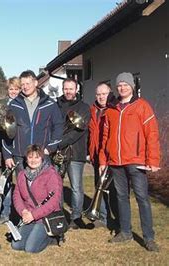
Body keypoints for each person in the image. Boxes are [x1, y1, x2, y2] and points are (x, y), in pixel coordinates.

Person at [99, 72, 161, 252]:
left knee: (142, 198)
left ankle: (149, 237)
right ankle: (125, 232)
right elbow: (105, 136)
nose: (122, 87)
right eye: (119, 85)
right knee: (121, 197)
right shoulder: (111, 109)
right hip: (116, 162)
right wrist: (104, 159)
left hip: (136, 160)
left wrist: (153, 159)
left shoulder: (142, 106)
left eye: (126, 84)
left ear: (132, 86)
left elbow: (152, 134)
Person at [2, 70, 63, 174]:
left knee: (42, 187)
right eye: (22, 84)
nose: (25, 87)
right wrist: (7, 155)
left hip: (42, 154)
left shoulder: (49, 104)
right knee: (22, 188)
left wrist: (50, 148)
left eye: (28, 83)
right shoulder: (14, 105)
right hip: (20, 155)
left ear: (35, 83)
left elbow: (58, 127)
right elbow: (6, 130)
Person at [11, 144, 63, 253]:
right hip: (28, 216)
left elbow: (54, 201)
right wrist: (23, 211)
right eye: (30, 157)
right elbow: (17, 196)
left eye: (37, 157)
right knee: (16, 245)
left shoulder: (51, 173)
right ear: (26, 158)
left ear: (42, 158)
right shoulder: (21, 175)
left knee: (31, 248)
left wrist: (34, 215)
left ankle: (52, 237)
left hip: (45, 218)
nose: (33, 160)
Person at [56, 78, 90, 229]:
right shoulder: (56, 105)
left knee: (76, 186)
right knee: (56, 184)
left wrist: (59, 142)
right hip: (57, 152)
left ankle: (76, 217)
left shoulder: (84, 107)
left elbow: (78, 132)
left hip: (76, 152)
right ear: (62, 89)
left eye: (71, 89)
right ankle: (58, 214)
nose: (68, 91)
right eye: (66, 89)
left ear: (76, 90)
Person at [88, 82, 116, 229]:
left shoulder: (114, 109)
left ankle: (117, 218)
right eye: (98, 94)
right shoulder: (92, 109)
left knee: (114, 189)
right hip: (97, 155)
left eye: (104, 94)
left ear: (109, 93)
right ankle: (103, 217)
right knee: (99, 187)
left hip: (111, 155)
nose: (101, 97)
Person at [0, 76, 22, 223]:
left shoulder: (22, 105)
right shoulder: (2, 106)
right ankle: (5, 212)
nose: (13, 91)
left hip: (19, 147)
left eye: (16, 89)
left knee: (20, 183)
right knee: (6, 181)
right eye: (11, 89)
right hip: (6, 147)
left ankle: (18, 212)